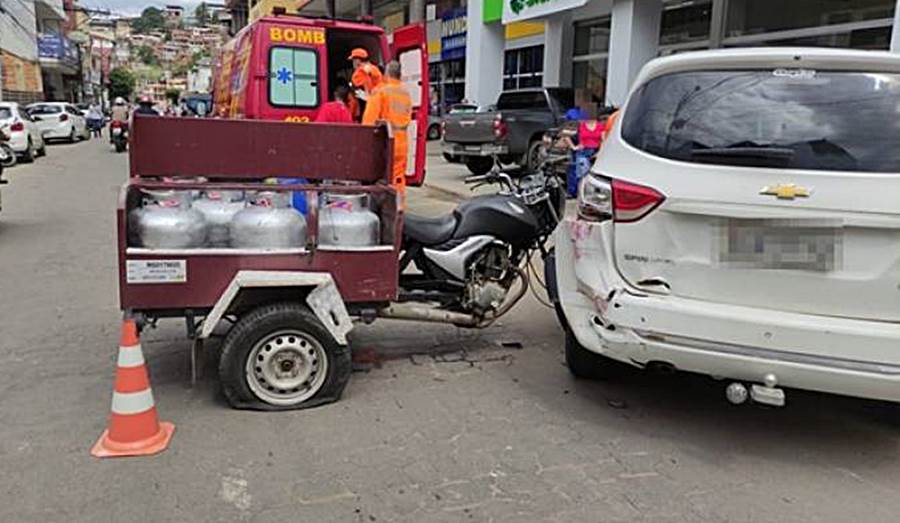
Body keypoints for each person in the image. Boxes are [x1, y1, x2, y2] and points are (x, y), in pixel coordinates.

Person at [362, 60, 411, 202]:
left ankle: (384, 212)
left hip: (386, 144)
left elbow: (369, 123)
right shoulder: (405, 93)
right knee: (398, 180)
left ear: (387, 73)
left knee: (381, 182)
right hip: (402, 143)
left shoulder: (380, 92)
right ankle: (399, 212)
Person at [348, 47, 382, 120]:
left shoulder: (359, 73)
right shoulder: (376, 70)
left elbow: (358, 93)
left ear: (357, 61)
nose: (353, 63)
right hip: (379, 107)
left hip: (368, 107)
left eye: (353, 61)